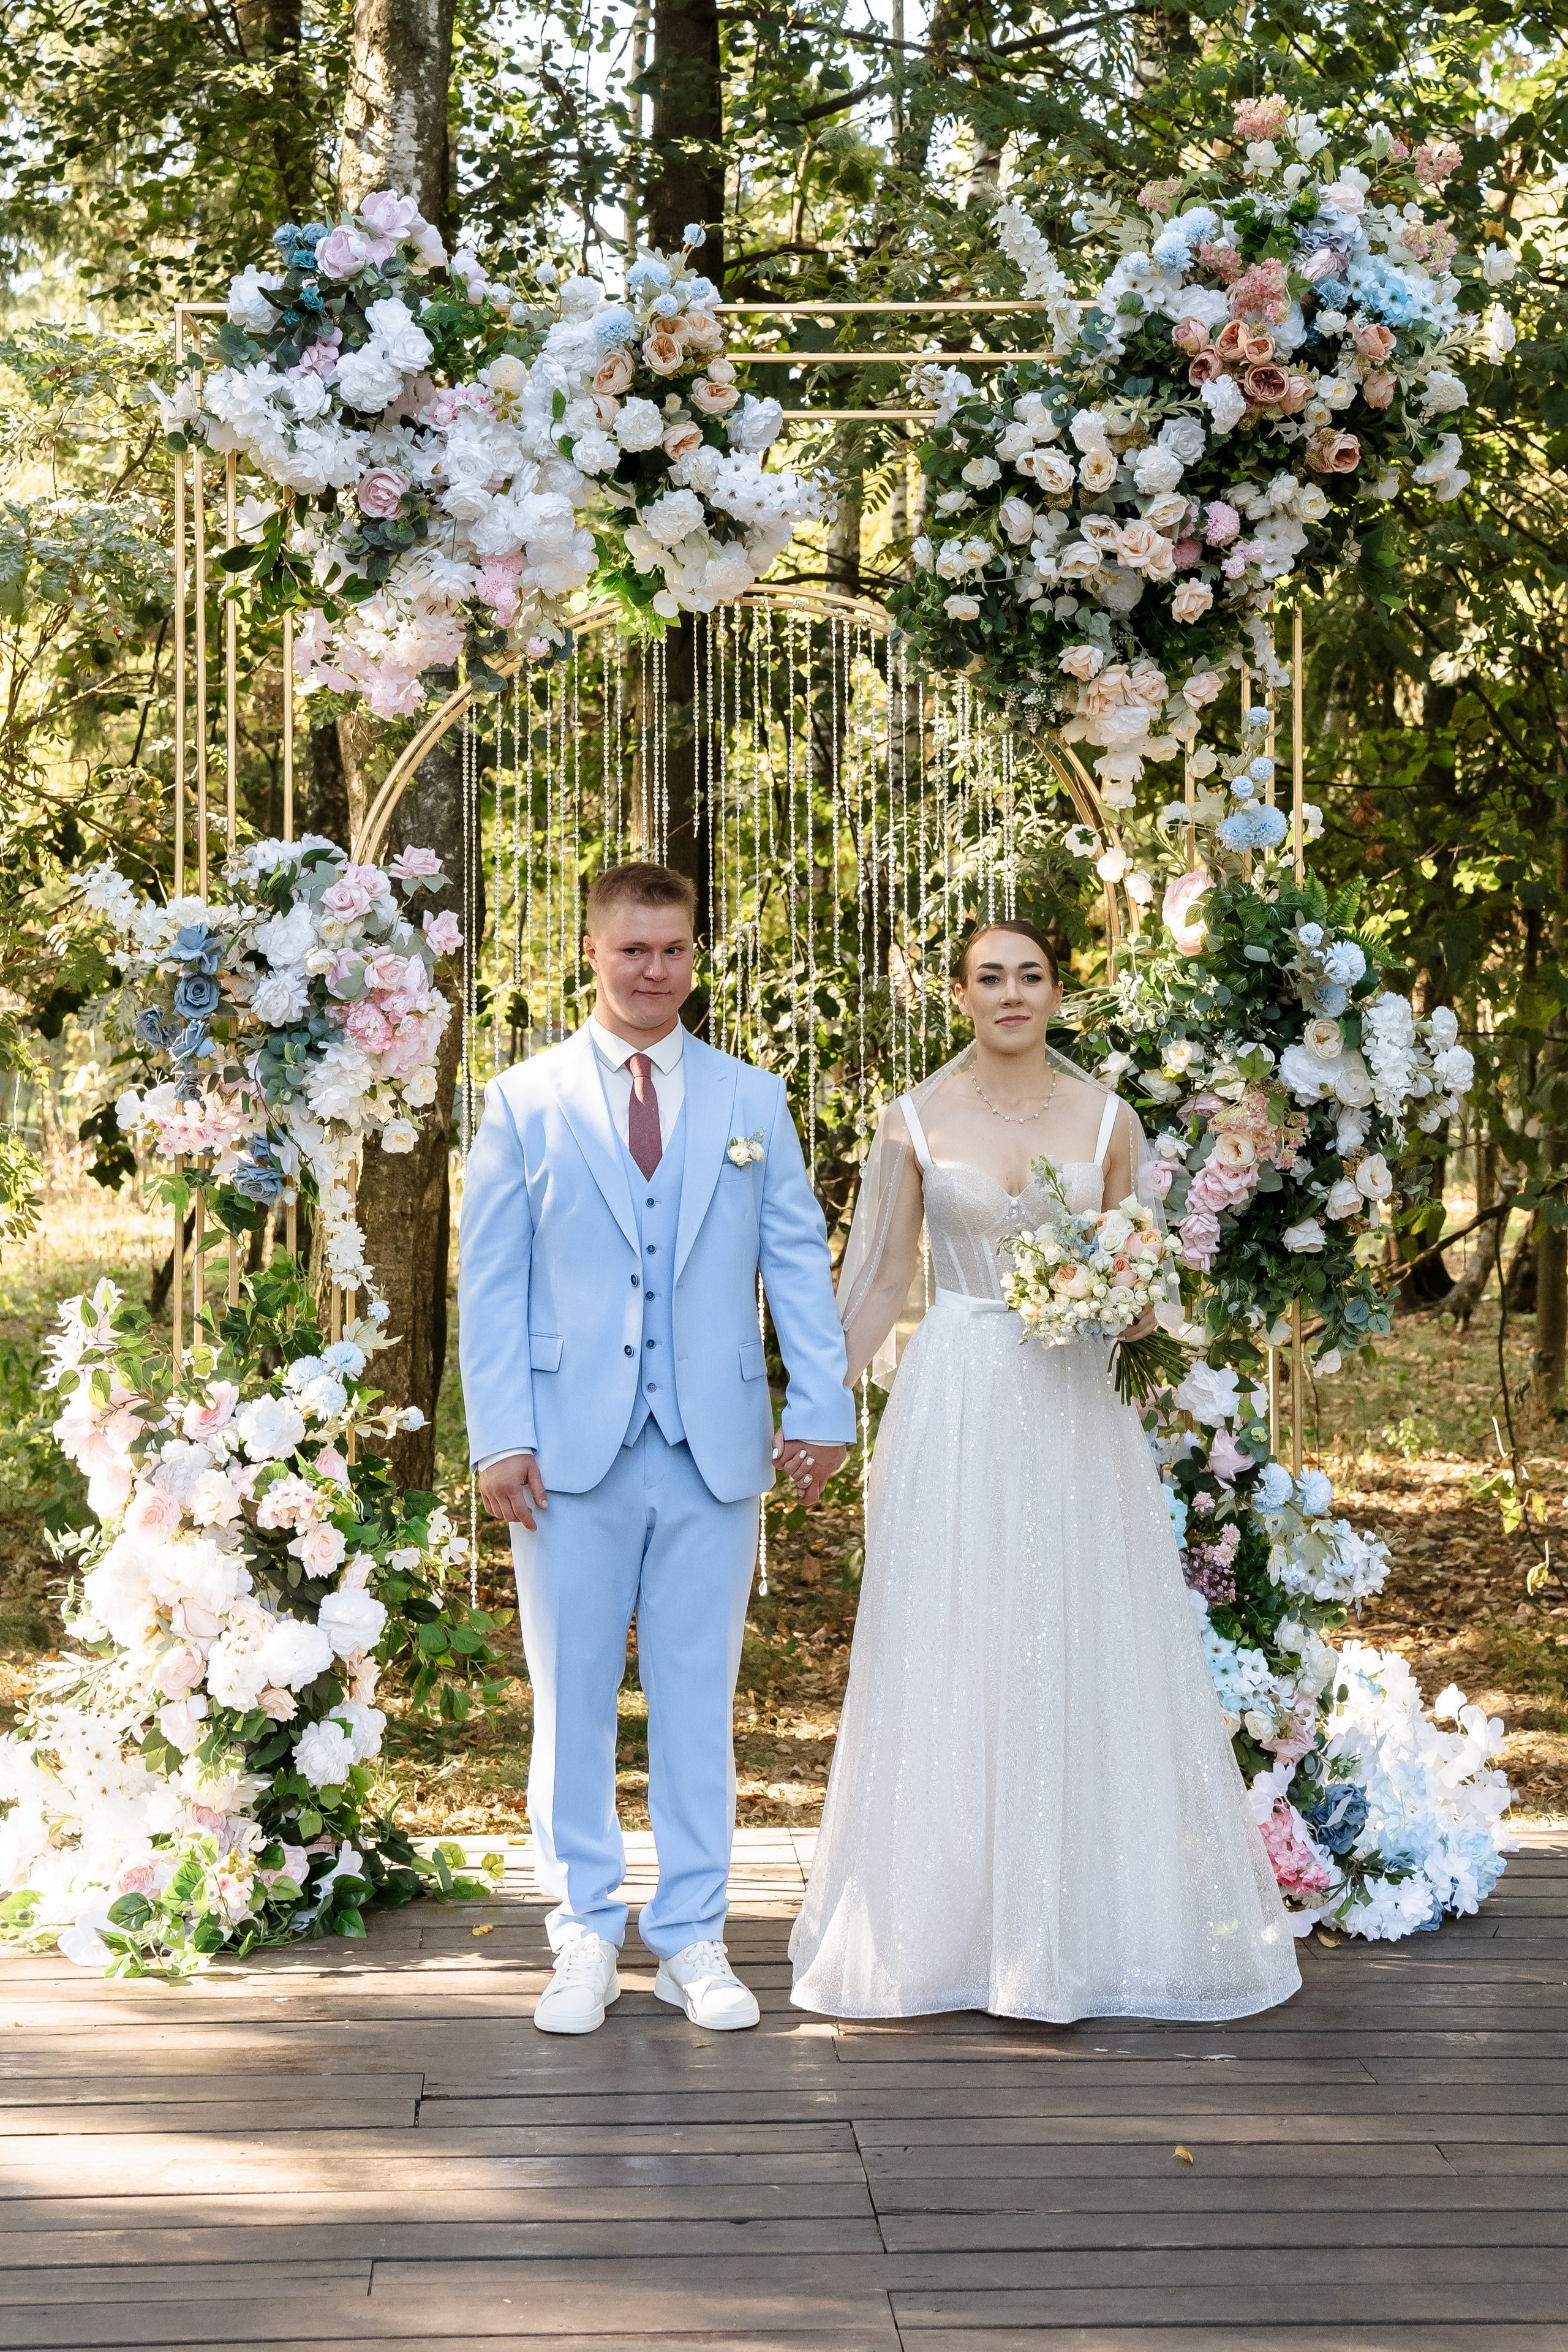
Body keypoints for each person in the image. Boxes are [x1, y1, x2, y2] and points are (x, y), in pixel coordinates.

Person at [789, 918, 1301, 2024]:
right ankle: (946, 1928)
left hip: (1075, 1405)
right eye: (990, 977)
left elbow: (1148, 1272)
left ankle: (1087, 1928)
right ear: (960, 995)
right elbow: (880, 1280)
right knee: (956, 1631)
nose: (1011, 993)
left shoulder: (1109, 1119)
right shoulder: (915, 1118)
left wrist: (1127, 1309)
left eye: (1030, 976)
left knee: (1079, 1633)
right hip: (962, 1392)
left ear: (1058, 992)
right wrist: (816, 1401)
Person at [459, 861, 853, 2036]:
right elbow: (492, 1282)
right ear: (592, 949)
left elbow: (795, 1261)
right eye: (633, 949)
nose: (654, 971)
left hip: (712, 1447)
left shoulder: (751, 1099)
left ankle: (693, 1937)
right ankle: (582, 1931)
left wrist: (822, 1403)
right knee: (569, 1698)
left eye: (673, 950)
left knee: (698, 1698)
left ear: (694, 955)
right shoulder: (523, 1100)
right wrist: (501, 1436)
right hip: (565, 1451)